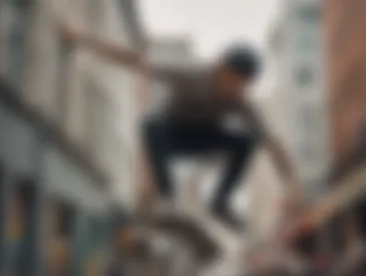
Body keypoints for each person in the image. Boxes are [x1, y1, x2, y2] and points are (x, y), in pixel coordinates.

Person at [56, 18, 303, 230]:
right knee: (151, 124)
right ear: (220, 68)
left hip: (206, 138)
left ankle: (221, 201)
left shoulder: (242, 103)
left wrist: (291, 184)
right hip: (173, 134)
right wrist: (83, 39)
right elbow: (134, 61)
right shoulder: (189, 73)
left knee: (247, 138)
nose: (236, 90)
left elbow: (272, 142)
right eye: (234, 81)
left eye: (243, 86)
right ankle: (166, 197)